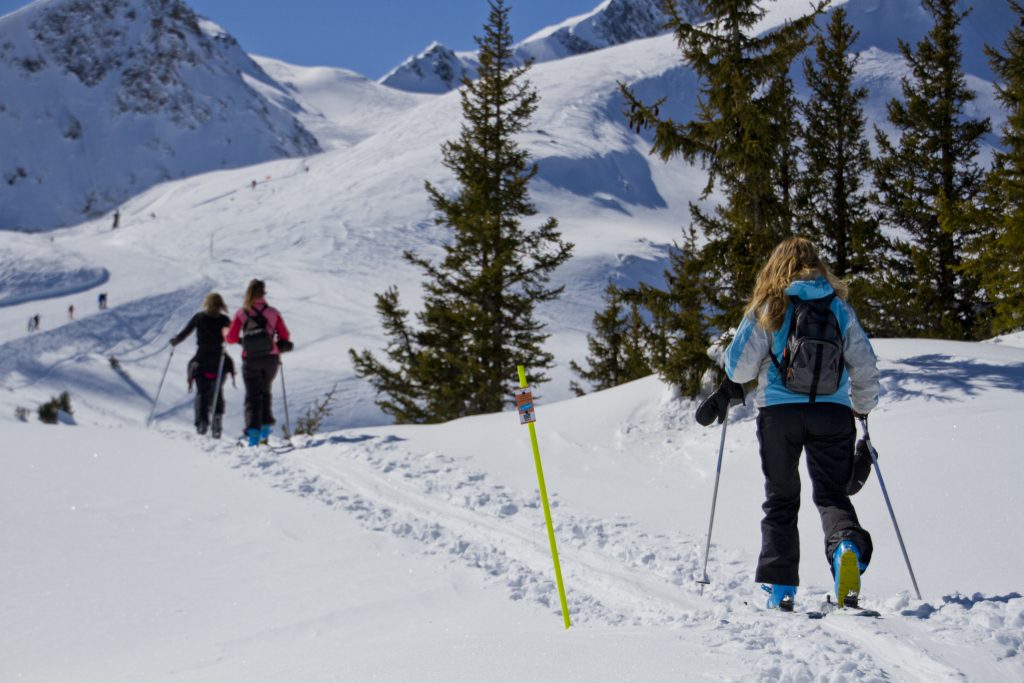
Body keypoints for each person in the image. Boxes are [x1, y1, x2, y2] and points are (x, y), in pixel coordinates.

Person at [696, 237, 880, 612]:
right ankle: (846, 546)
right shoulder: (838, 307)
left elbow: (739, 368)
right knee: (831, 494)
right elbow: (864, 365)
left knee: (781, 498)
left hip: (779, 415)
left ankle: (780, 588)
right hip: (832, 414)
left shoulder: (770, 305)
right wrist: (861, 409)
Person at [225, 279, 292, 446]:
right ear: (264, 293)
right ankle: (265, 430)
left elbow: (231, 338)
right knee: (265, 391)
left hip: (251, 358)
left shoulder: (242, 313)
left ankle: (253, 434)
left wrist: (243, 341)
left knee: (253, 396)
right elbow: (284, 336)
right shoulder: (273, 312)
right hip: (271, 358)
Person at [171, 293, 235, 438]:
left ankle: (202, 423)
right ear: (221, 305)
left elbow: (184, 334)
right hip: (220, 360)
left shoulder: (199, 317)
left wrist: (175, 341)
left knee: (202, 392)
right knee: (217, 390)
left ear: (207, 303)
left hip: (201, 360)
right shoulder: (224, 320)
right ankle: (217, 419)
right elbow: (231, 337)